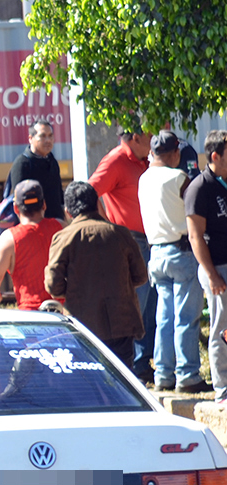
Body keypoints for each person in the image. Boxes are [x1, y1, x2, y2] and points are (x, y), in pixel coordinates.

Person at [46, 182, 148, 366]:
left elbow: (54, 285)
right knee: (122, 375)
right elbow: (140, 275)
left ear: (68, 211)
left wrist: (75, 292)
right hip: (122, 321)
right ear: (96, 204)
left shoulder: (63, 238)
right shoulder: (120, 233)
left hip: (83, 323)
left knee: (88, 376)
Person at [141, 131, 204, 391]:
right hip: (182, 252)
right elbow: (196, 210)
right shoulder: (178, 177)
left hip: (156, 254)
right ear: (176, 153)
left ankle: (164, 375)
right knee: (186, 318)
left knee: (164, 318)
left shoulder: (143, 178)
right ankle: (187, 375)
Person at [92, 129, 155, 379]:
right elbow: (89, 192)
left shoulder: (145, 159)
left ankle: (144, 362)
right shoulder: (116, 160)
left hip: (152, 239)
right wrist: (108, 227)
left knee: (150, 306)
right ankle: (135, 364)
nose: (154, 141)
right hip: (131, 240)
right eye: (150, 136)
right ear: (136, 138)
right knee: (138, 303)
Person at [185, 130, 227, 401]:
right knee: (222, 328)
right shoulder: (199, 188)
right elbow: (195, 236)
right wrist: (211, 274)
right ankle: (223, 387)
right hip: (218, 267)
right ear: (215, 156)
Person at [0, 179, 65, 308]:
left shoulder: (9, 239)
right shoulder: (61, 227)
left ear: (15, 208)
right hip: (63, 312)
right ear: (44, 205)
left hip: (30, 314)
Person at [5, 119, 64, 220]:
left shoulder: (52, 161)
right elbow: (19, 201)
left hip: (55, 224)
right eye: (42, 136)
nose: (48, 140)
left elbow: (59, 196)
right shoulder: (22, 164)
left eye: (50, 136)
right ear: (30, 138)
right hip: (33, 224)